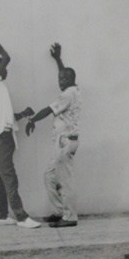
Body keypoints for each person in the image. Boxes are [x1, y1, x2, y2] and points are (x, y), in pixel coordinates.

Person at [0, 39, 40, 228]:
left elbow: (7, 116)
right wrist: (2, 52)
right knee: (10, 177)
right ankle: (21, 216)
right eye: (2, 67)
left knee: (1, 177)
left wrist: (22, 114)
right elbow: (7, 59)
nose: (6, 70)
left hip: (4, 136)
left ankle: (0, 215)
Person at [27, 43, 81, 228]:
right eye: (59, 78)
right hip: (62, 143)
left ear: (71, 79)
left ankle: (70, 217)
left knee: (65, 181)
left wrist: (33, 120)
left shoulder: (68, 95)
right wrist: (58, 59)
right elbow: (65, 74)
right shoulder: (71, 91)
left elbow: (49, 109)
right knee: (49, 177)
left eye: (64, 79)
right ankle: (59, 212)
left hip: (66, 142)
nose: (60, 81)